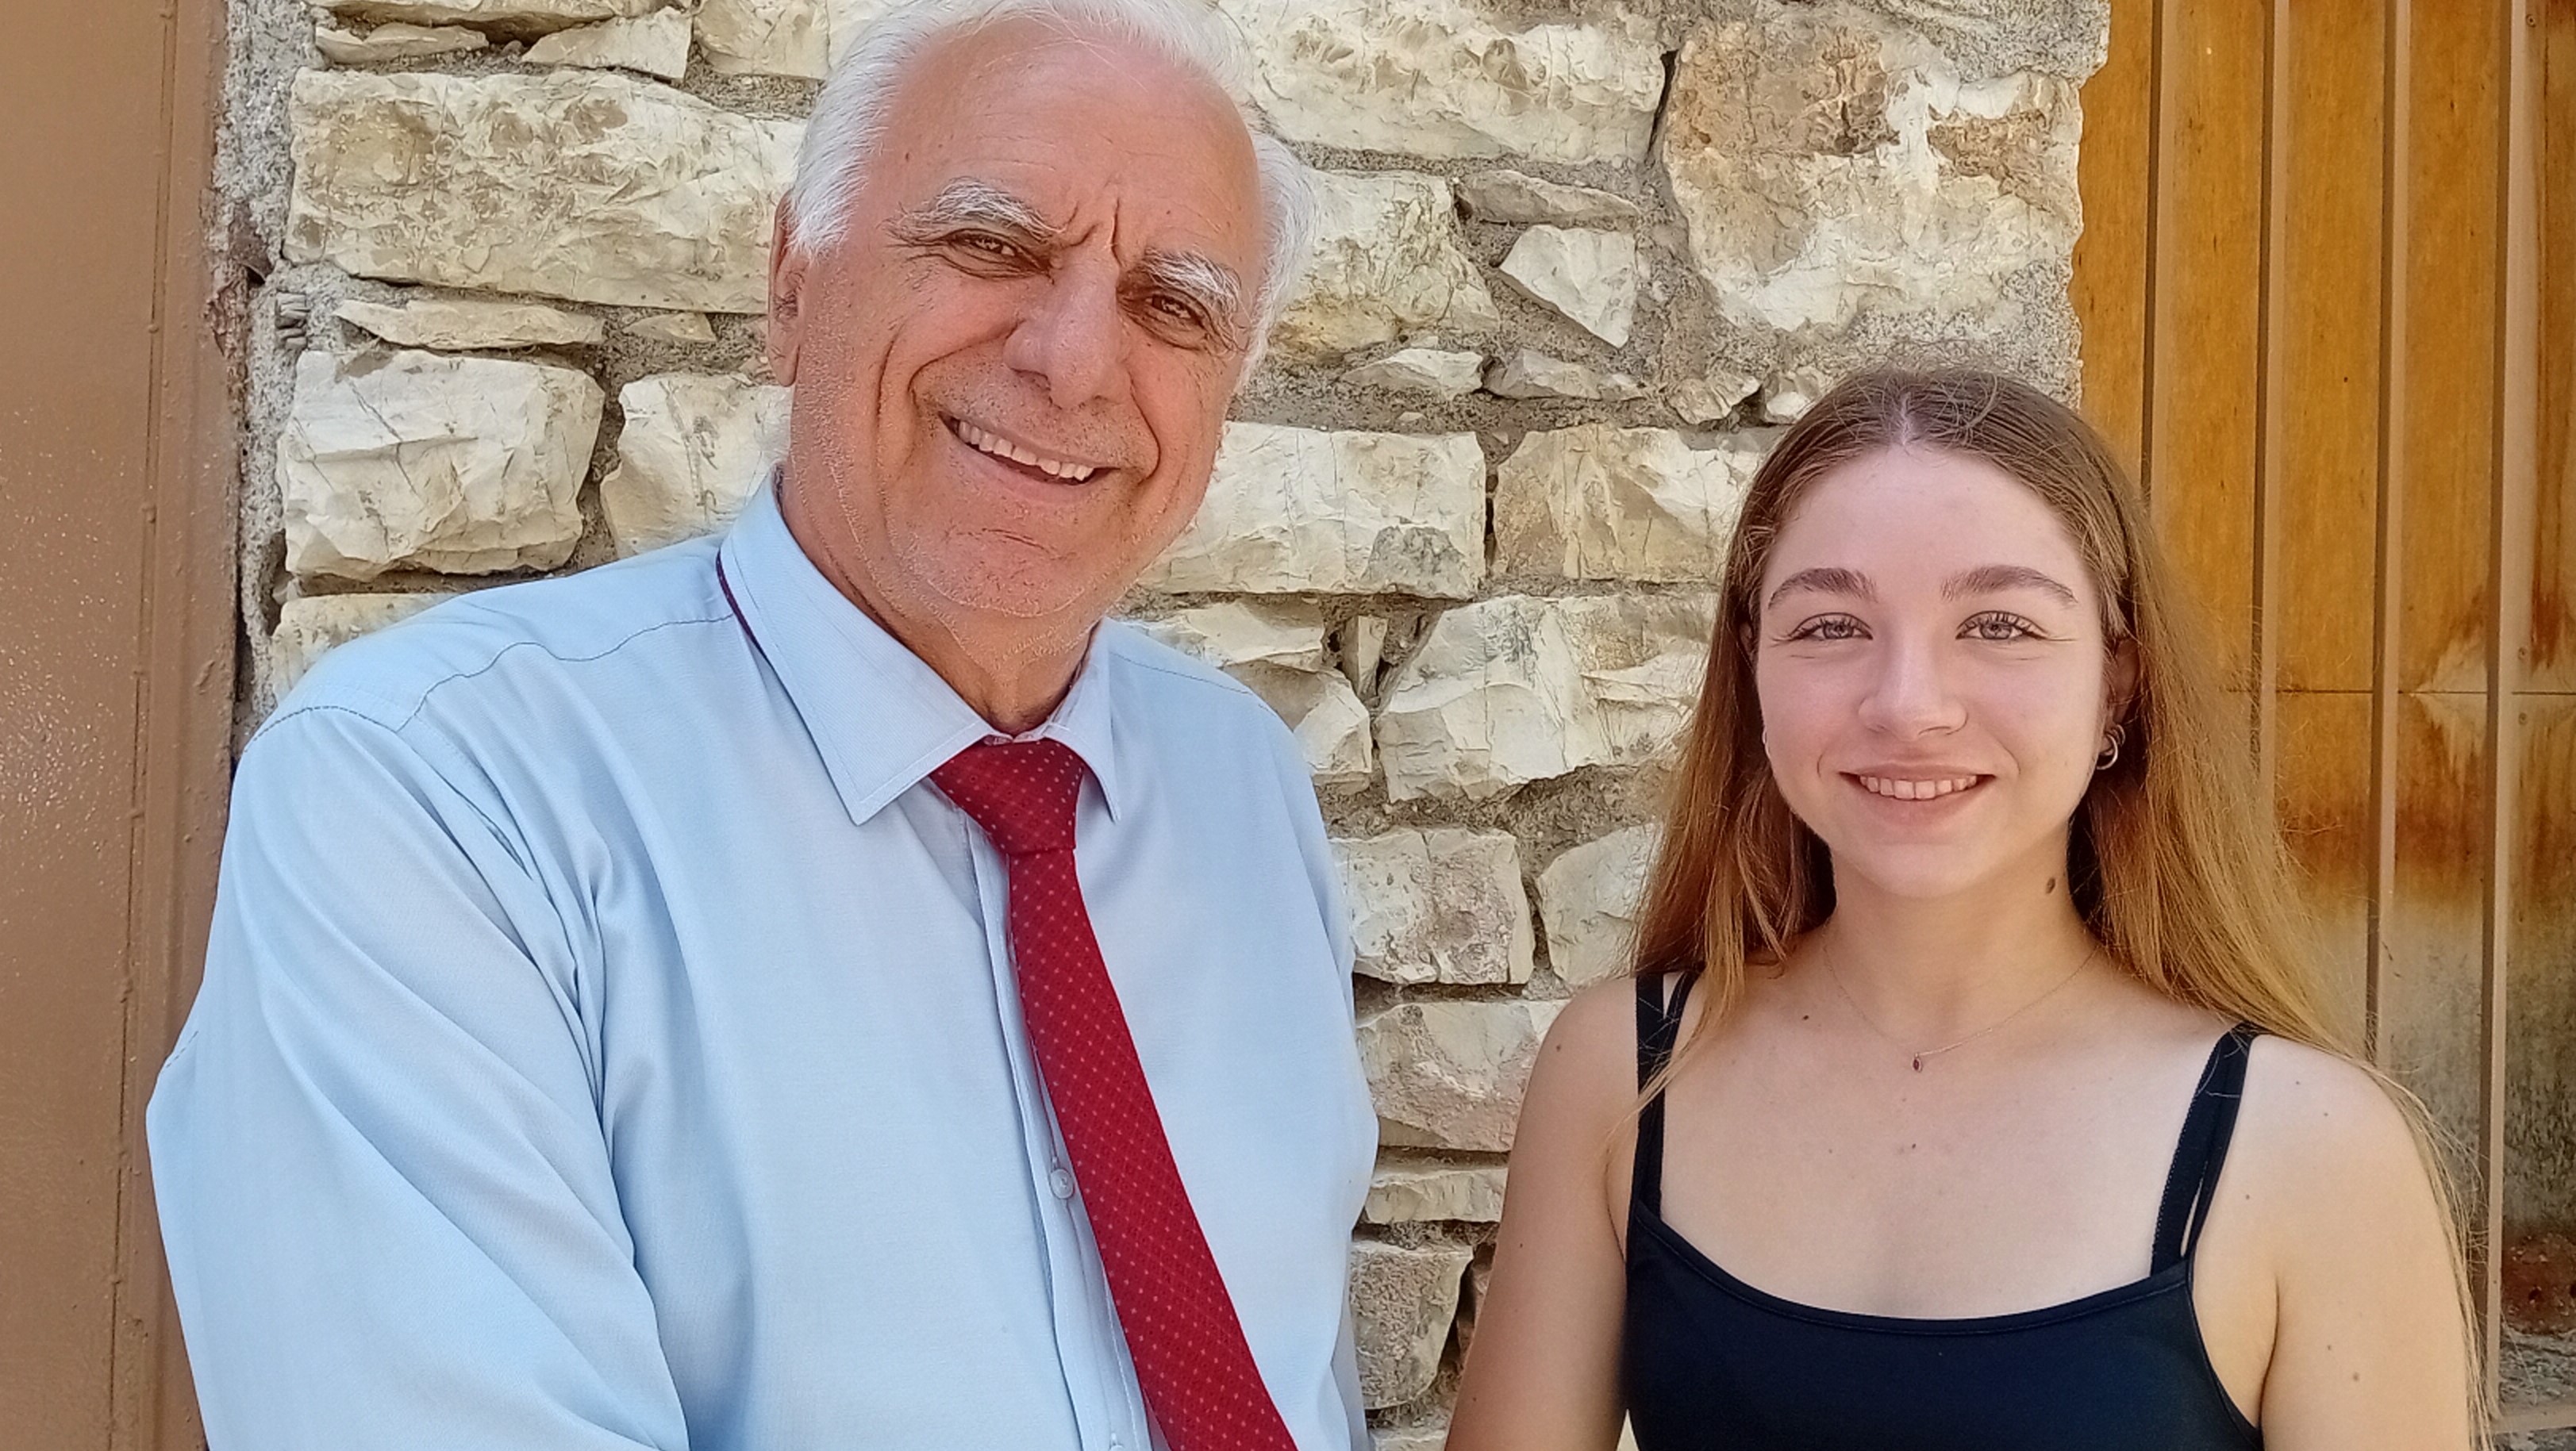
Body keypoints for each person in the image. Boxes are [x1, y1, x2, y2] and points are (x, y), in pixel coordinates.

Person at [148, 2, 1377, 1447]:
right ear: (792, 285)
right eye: (991, 245)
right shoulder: (440, 799)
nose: (1073, 360)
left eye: (1172, 306)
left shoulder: (1241, 790)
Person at [1447, 370, 2476, 1450]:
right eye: (1831, 625)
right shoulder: (1623, 1071)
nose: (1908, 705)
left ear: (2118, 686)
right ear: (1752, 670)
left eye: (1998, 624)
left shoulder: (2309, 1144)